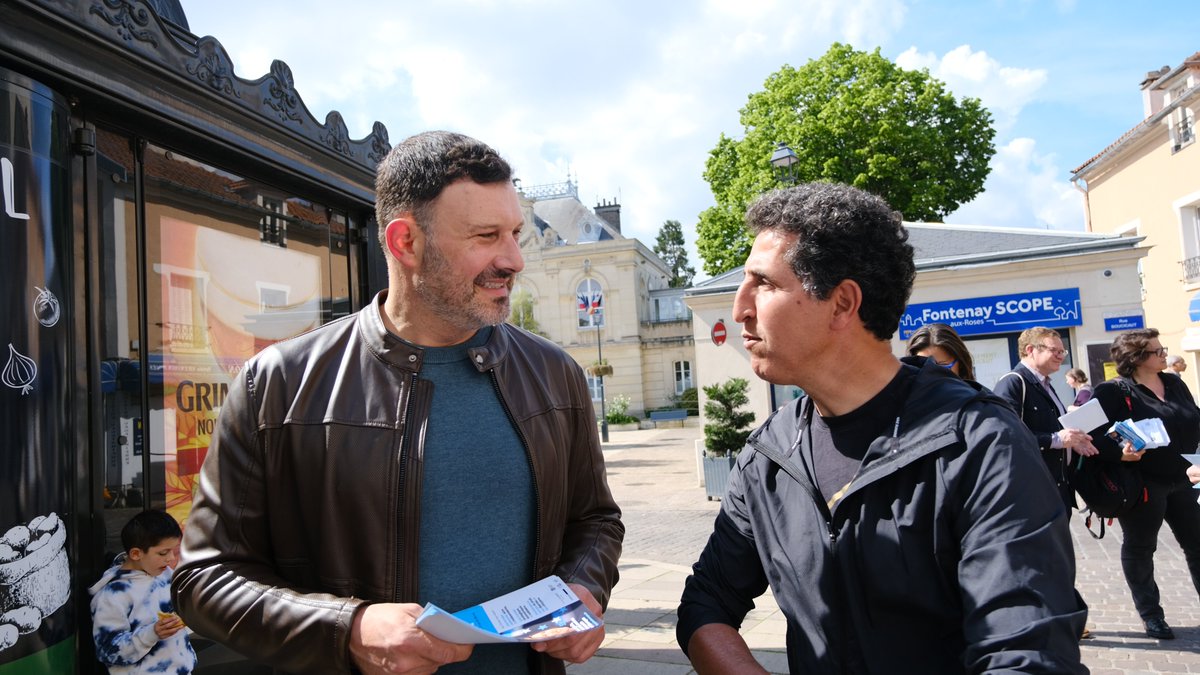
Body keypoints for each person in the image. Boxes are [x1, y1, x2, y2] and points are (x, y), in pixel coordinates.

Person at [173, 131, 624, 675]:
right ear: (405, 241)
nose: (513, 260)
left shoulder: (555, 376)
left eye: (514, 234)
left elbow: (595, 520)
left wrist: (583, 586)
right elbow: (205, 580)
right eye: (485, 236)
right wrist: (350, 629)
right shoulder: (277, 384)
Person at [676, 183, 1086, 673]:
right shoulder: (770, 454)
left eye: (764, 284)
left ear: (844, 303)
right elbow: (706, 603)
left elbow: (1028, 654)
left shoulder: (979, 442)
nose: (740, 307)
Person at [1086, 329, 1200, 640]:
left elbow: (1194, 421)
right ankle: (1152, 616)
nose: (1164, 354)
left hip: (1184, 479)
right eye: (1157, 351)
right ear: (1136, 358)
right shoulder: (1112, 392)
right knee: (1140, 548)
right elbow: (1087, 435)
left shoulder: (1174, 383)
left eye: (1163, 349)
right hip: (1142, 484)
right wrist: (1120, 454)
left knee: (1197, 544)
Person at [993, 327, 1099, 511]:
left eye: (1062, 351)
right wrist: (1057, 440)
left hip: (1057, 486)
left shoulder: (1046, 384)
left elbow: (1053, 430)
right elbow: (1006, 436)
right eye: (1054, 351)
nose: (1061, 356)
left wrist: (1073, 442)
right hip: (1034, 491)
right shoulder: (1013, 382)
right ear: (1030, 350)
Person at [89, 509, 194, 674]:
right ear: (136, 554)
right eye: (163, 553)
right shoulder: (112, 595)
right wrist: (152, 633)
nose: (171, 559)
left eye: (174, 551)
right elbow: (108, 652)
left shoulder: (165, 574)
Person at [905, 322, 975, 380]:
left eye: (942, 367)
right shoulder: (903, 395)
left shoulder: (978, 396)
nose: (933, 376)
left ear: (960, 365)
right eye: (923, 368)